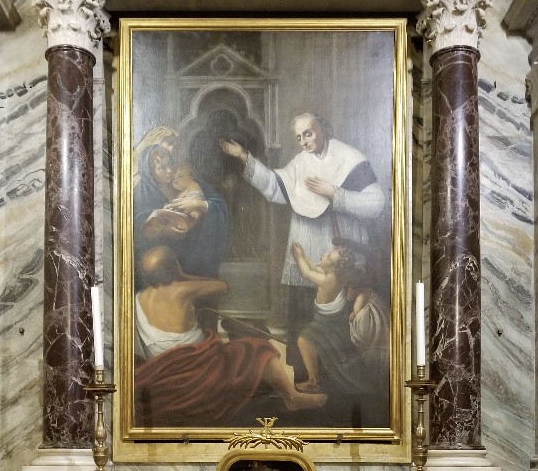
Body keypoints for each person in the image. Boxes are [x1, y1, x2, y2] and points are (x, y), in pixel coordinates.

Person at [219, 113, 385, 367]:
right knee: (303, 316)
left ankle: (336, 381)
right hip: (305, 246)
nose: (304, 141)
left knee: (338, 325)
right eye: (299, 137)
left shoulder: (349, 158)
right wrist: (244, 157)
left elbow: (377, 203)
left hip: (339, 252)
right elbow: (276, 187)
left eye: (308, 133)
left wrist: (334, 193)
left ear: (324, 129)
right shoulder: (301, 162)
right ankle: (303, 374)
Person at [133, 247, 327, 428]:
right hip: (197, 364)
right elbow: (223, 287)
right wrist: (183, 276)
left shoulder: (138, 297)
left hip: (162, 368)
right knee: (258, 348)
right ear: (174, 268)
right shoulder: (183, 289)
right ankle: (292, 397)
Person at [134, 134, 228, 279]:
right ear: (150, 173)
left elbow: (219, 205)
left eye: (170, 164)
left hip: (196, 251)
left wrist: (199, 204)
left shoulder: (185, 178)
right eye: (162, 168)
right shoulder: (142, 192)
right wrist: (163, 230)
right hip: (164, 259)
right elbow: (135, 228)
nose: (170, 171)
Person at [290, 240, 374, 395]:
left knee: (303, 339)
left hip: (325, 321)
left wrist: (299, 257)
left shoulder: (327, 279)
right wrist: (305, 257)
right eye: (328, 254)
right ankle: (314, 380)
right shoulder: (336, 276)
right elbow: (315, 268)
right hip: (332, 318)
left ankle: (313, 381)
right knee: (332, 349)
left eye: (328, 257)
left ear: (335, 267)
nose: (324, 255)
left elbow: (307, 273)